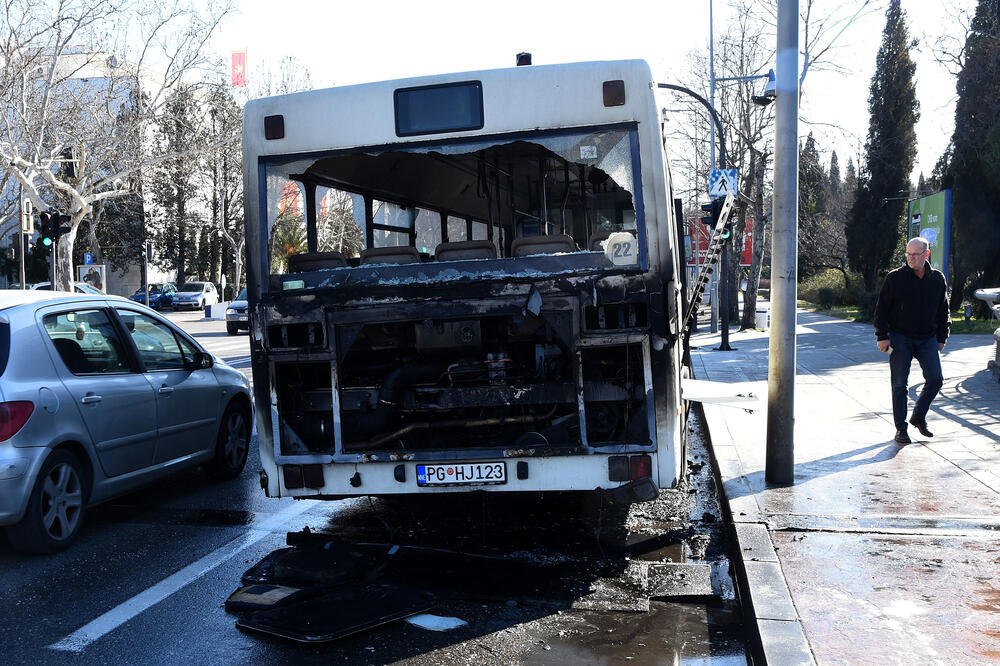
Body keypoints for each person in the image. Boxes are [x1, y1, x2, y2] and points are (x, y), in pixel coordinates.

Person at [874, 237, 950, 444]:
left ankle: (918, 416)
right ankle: (901, 429)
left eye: (915, 254)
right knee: (900, 385)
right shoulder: (895, 278)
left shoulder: (937, 279)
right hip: (900, 338)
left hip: (928, 339)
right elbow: (881, 309)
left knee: (936, 379)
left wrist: (942, 337)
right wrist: (882, 336)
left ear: (926, 254)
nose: (911, 258)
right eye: (908, 254)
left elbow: (943, 310)